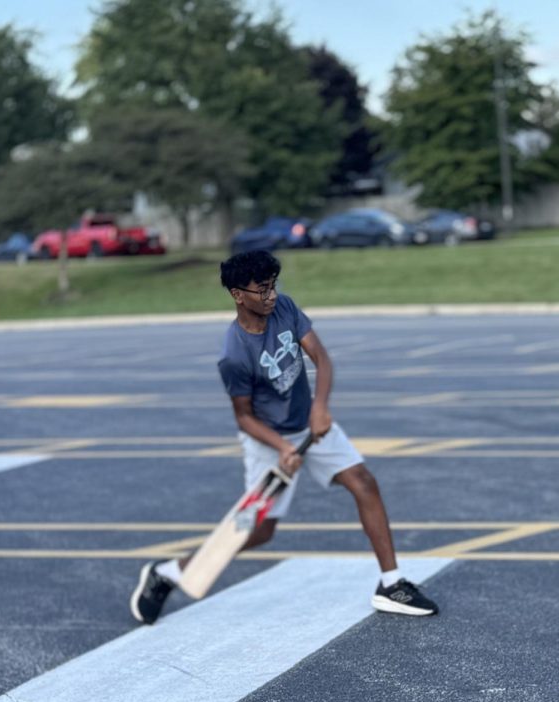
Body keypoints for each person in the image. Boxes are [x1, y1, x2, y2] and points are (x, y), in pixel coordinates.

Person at [130, 249, 438, 625]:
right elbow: (244, 417)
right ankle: (169, 573)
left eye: (274, 286)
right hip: (268, 440)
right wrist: (282, 447)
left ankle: (391, 584)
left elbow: (321, 358)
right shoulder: (234, 354)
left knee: (363, 482)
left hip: (309, 422)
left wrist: (320, 407)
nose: (271, 295)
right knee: (259, 531)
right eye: (262, 290)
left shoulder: (285, 309)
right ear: (237, 295)